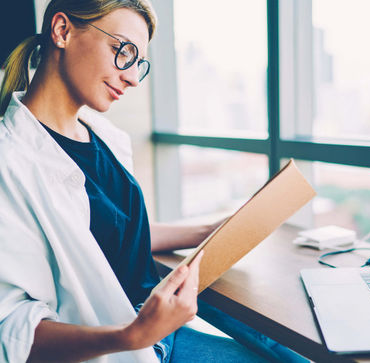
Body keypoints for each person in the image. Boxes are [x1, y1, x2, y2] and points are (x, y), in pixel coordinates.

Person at [0, 1, 308, 362]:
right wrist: (132, 335)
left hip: (159, 333)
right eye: (122, 51)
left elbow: (108, 233)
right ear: (62, 31)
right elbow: (12, 329)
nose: (131, 77)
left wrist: (207, 231)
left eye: (138, 64)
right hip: (120, 347)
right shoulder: (11, 160)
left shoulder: (104, 136)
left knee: (291, 346)